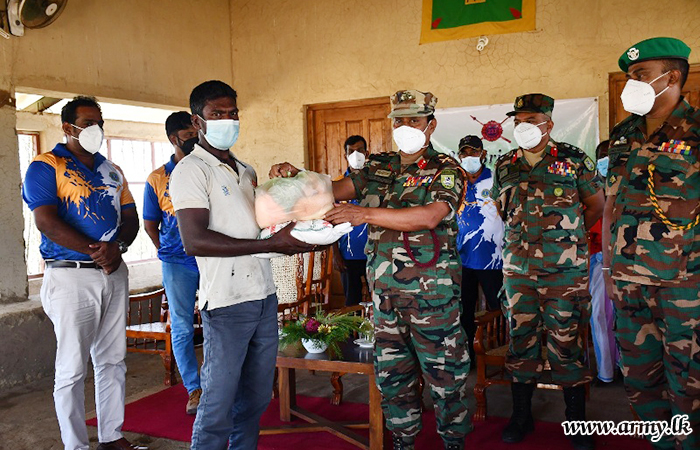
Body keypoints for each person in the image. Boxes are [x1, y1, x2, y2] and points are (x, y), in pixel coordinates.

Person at [272, 90, 471, 450]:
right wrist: (293, 178)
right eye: (399, 119)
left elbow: (430, 216)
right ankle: (403, 442)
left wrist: (363, 213)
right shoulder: (378, 168)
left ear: (431, 124)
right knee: (393, 378)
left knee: (446, 379)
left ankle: (453, 442)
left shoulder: (446, 169)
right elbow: (330, 191)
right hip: (385, 299)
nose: (405, 126)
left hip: (433, 299)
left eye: (414, 119)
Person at [169, 80, 315, 450]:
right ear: (197, 120)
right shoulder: (191, 170)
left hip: (264, 294)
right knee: (217, 403)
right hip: (226, 302)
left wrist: (290, 183)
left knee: (255, 399)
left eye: (232, 113)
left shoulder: (246, 170)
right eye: (217, 113)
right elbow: (195, 240)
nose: (228, 120)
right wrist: (272, 244)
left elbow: (265, 224)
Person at [22, 96, 144, 450]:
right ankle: (76, 445)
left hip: (112, 273)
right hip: (71, 275)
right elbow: (46, 221)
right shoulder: (46, 166)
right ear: (67, 127)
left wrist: (116, 248)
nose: (96, 129)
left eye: (99, 122)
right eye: (87, 123)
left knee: (113, 359)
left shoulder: (112, 170)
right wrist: (97, 251)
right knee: (72, 368)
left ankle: (111, 435)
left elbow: (131, 219)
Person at [491, 93, 604, 449]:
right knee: (521, 342)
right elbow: (501, 209)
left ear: (548, 124)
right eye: (518, 120)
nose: (522, 126)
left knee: (565, 343)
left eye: (530, 119)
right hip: (519, 272)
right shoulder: (505, 164)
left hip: (563, 273)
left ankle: (577, 423)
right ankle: (521, 416)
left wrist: (566, 240)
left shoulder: (573, 160)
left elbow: (596, 206)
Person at [603, 37, 699, 449]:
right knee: (641, 383)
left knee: (689, 384)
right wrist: (607, 270)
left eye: (640, 75)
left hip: (682, 285)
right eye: (629, 76)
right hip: (627, 283)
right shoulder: (623, 135)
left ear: (671, 77)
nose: (632, 84)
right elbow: (609, 207)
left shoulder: (696, 133)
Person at [143, 111, 201, 415]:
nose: (193, 138)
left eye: (195, 132)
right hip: (177, 262)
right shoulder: (157, 178)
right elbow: (150, 223)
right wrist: (167, 250)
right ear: (173, 138)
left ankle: (221, 383)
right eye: (187, 134)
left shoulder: (210, 167)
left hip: (211, 256)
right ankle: (195, 388)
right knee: (180, 326)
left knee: (220, 320)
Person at [455, 135, 504, 363]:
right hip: (461, 258)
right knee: (464, 309)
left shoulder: (495, 180)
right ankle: (469, 358)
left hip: (491, 257)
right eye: (464, 153)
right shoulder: (455, 182)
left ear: (483, 154)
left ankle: (500, 353)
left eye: (473, 153)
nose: (468, 158)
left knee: (497, 307)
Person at [587, 140, 618, 384]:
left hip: (629, 259)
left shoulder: (629, 183)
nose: (606, 160)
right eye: (603, 156)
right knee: (599, 314)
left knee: (630, 317)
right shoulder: (591, 186)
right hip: (597, 258)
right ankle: (606, 372)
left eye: (611, 155)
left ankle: (629, 369)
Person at [333, 135, 369, 306]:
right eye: (351, 151)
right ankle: (352, 335)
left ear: (367, 153)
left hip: (374, 254)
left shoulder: (377, 183)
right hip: (348, 255)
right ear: (345, 156)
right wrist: (335, 254)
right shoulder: (337, 186)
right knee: (352, 302)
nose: (356, 155)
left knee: (379, 302)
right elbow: (329, 223)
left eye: (360, 150)